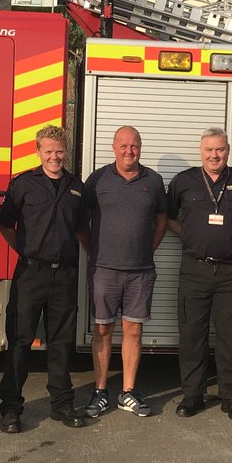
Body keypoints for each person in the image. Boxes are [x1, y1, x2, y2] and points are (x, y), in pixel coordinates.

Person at [166, 128, 232, 421]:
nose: (215, 155)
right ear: (201, 152)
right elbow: (167, 216)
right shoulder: (184, 181)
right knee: (192, 335)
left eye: (220, 150)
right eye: (209, 150)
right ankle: (192, 396)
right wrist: (188, 236)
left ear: (228, 151)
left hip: (230, 271)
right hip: (194, 268)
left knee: (230, 336)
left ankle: (231, 398)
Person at [0, 126, 88, 432]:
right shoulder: (22, 184)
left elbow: (80, 230)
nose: (54, 157)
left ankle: (62, 405)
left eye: (59, 151)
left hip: (64, 274)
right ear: (37, 152)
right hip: (30, 274)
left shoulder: (77, 187)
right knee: (20, 342)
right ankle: (11, 409)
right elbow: (6, 224)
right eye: (48, 151)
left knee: (61, 343)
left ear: (66, 150)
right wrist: (25, 250)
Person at [79, 125, 167, 418]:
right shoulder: (97, 179)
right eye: (124, 146)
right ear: (114, 148)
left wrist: (146, 250)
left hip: (140, 271)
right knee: (102, 330)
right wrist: (94, 252)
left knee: (133, 330)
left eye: (135, 146)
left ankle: (128, 393)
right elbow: (82, 224)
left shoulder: (153, 181)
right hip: (104, 270)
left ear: (141, 147)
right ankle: (101, 392)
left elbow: (162, 221)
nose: (130, 151)